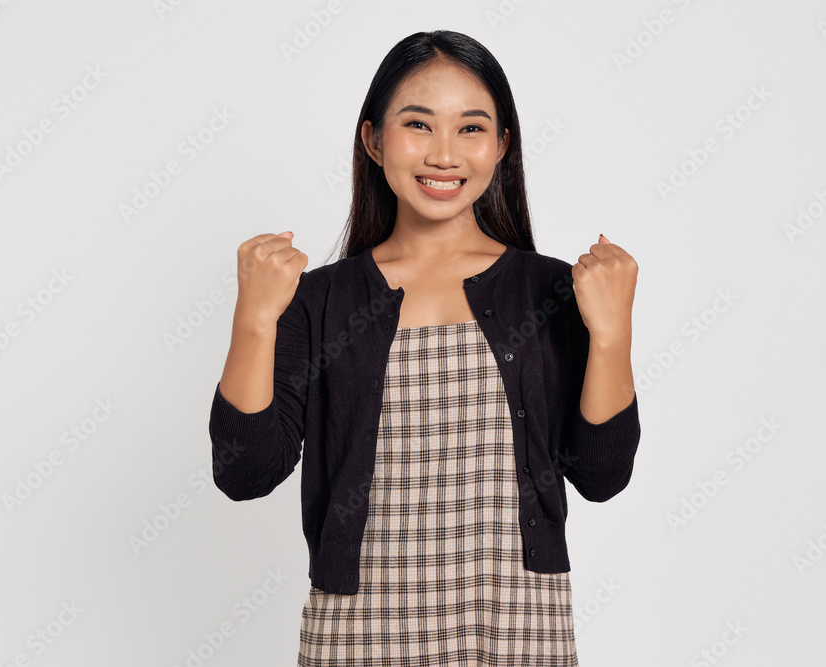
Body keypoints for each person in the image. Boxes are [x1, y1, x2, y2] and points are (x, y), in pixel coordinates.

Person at [208, 29, 641, 666]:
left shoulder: (551, 290)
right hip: (358, 633)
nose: (444, 154)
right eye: (418, 123)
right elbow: (245, 473)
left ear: (501, 146)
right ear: (373, 139)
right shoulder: (319, 299)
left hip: (519, 629)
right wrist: (254, 318)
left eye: (470, 128)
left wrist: (611, 335)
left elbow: (601, 475)